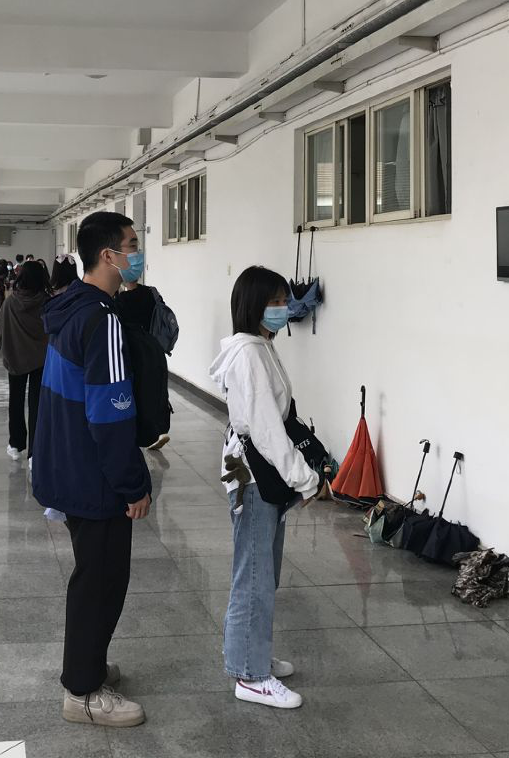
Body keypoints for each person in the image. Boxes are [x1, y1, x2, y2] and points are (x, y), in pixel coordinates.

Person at [33, 212, 151, 728]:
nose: (136, 253)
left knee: (95, 574)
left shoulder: (71, 307)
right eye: (132, 245)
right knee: (100, 582)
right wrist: (132, 483)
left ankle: (91, 664)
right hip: (96, 476)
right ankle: (82, 691)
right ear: (108, 255)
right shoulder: (102, 320)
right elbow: (110, 413)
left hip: (68, 465)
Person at [211, 266, 326, 711]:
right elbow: (267, 430)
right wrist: (305, 478)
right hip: (255, 478)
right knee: (255, 577)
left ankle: (250, 653)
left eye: (284, 300)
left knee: (262, 572)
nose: (283, 308)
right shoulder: (249, 355)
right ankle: (250, 675)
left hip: (256, 475)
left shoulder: (259, 347)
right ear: (253, 306)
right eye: (274, 302)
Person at [113, 253, 179, 452]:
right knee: (157, 391)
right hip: (155, 351)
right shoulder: (151, 293)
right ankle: (159, 428)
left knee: (138, 393)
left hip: (134, 355)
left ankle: (142, 431)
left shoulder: (120, 300)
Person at [0, 259, 50, 465]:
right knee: (37, 404)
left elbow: (0, 333)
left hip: (16, 359)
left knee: (16, 401)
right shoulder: (47, 302)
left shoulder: (11, 302)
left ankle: (15, 444)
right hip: (41, 360)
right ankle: (35, 452)